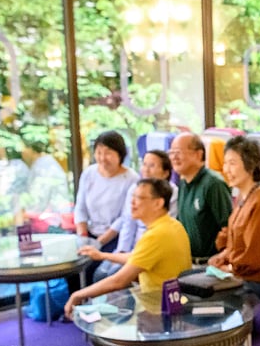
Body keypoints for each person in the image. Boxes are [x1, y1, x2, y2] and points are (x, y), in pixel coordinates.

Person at [64, 178, 191, 319]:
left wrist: (77, 294)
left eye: (140, 198)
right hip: (173, 303)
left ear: (158, 203)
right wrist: (102, 255)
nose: (132, 202)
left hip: (158, 312)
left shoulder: (156, 235)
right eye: (133, 197)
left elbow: (119, 281)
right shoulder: (172, 225)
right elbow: (137, 258)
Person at [208, 136, 260, 301]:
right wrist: (223, 256)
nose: (226, 170)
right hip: (242, 274)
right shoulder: (242, 199)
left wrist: (229, 267)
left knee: (204, 294)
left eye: (232, 163)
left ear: (251, 166)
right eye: (225, 163)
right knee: (188, 280)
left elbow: (256, 256)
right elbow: (236, 242)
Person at [84, 149, 178, 280]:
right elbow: (128, 222)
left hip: (149, 249)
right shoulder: (135, 189)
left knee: (110, 276)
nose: (146, 169)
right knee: (100, 273)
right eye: (144, 164)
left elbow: (164, 223)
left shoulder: (172, 193)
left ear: (165, 173)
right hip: (131, 247)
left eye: (152, 166)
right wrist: (122, 250)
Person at [72, 131, 139, 288]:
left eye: (108, 153)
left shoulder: (131, 178)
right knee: (72, 270)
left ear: (120, 154)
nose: (102, 158)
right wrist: (83, 237)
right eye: (99, 152)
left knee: (95, 272)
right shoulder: (89, 173)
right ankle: (76, 308)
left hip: (114, 237)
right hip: (88, 233)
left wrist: (98, 243)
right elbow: (80, 207)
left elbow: (125, 217)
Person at [169, 132, 232, 262]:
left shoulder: (213, 184)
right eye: (171, 152)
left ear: (198, 154)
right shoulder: (183, 183)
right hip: (186, 260)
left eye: (179, 152)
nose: (174, 157)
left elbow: (228, 228)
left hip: (209, 264)